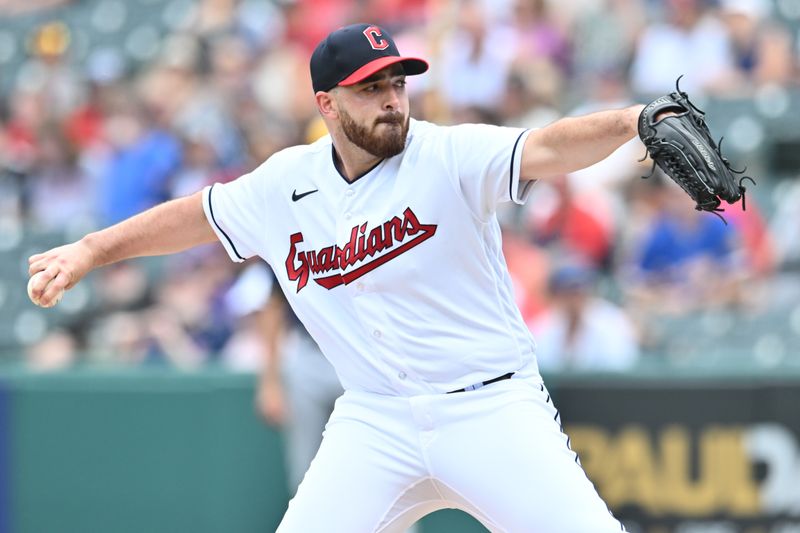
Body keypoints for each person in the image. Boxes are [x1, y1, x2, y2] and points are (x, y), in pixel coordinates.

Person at [27, 23, 649, 532]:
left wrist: (628, 123)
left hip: (488, 404)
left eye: (397, 83)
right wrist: (90, 249)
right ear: (326, 102)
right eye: (369, 87)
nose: (391, 99)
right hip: (375, 418)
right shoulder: (284, 183)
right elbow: (193, 216)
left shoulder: (447, 154)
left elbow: (546, 146)